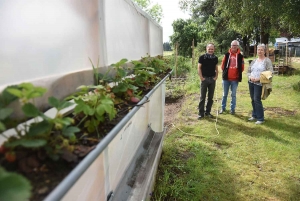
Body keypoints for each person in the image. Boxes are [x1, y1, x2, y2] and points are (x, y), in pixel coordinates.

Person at [247, 44, 273, 124]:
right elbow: (248, 71)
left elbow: (270, 73)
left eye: (261, 50)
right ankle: (254, 115)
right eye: (258, 50)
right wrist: (250, 77)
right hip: (251, 82)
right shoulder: (254, 60)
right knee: (253, 99)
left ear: (264, 51)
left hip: (259, 84)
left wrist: (259, 79)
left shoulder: (267, 61)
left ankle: (260, 118)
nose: (260, 51)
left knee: (257, 100)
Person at [219, 40, 244, 115]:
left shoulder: (240, 56)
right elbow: (222, 66)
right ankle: (223, 108)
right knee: (224, 94)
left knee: (233, 95)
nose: (234, 47)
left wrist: (237, 73)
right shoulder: (226, 55)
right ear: (231, 46)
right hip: (226, 79)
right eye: (233, 45)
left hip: (235, 79)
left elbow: (242, 67)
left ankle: (232, 109)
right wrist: (226, 72)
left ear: (237, 46)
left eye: (235, 45)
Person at [197, 43, 218, 120]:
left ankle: (208, 112)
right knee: (202, 97)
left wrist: (216, 77)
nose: (210, 50)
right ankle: (201, 113)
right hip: (204, 79)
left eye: (212, 49)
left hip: (212, 79)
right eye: (209, 49)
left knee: (210, 97)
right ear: (206, 49)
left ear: (214, 49)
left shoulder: (215, 58)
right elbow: (199, 68)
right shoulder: (202, 57)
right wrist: (201, 78)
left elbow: (216, 68)